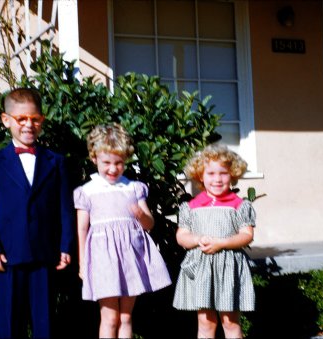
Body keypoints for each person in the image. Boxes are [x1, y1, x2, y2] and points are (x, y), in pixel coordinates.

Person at [0, 87, 75, 338]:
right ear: (6, 120)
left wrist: (65, 246)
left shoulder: (56, 161)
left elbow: (64, 208)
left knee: (46, 325)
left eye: (35, 119)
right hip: (8, 257)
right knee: (10, 325)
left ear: (41, 120)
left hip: (45, 256)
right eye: (21, 119)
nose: (28, 125)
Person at [74, 123, 172, 338]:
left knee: (126, 317)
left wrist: (141, 215)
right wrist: (82, 263)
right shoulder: (87, 191)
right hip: (103, 259)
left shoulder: (133, 188)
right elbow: (82, 228)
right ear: (94, 159)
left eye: (118, 163)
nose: (112, 168)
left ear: (126, 161)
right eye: (106, 162)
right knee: (109, 318)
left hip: (131, 258)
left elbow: (149, 224)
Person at [173, 143, 256, 339]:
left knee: (230, 321)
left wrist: (222, 243)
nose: (217, 179)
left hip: (228, 268)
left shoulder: (240, 205)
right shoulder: (191, 206)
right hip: (202, 269)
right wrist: (197, 238)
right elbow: (181, 236)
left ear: (233, 175)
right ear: (201, 176)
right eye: (211, 173)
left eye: (223, 173)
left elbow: (247, 235)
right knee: (205, 322)